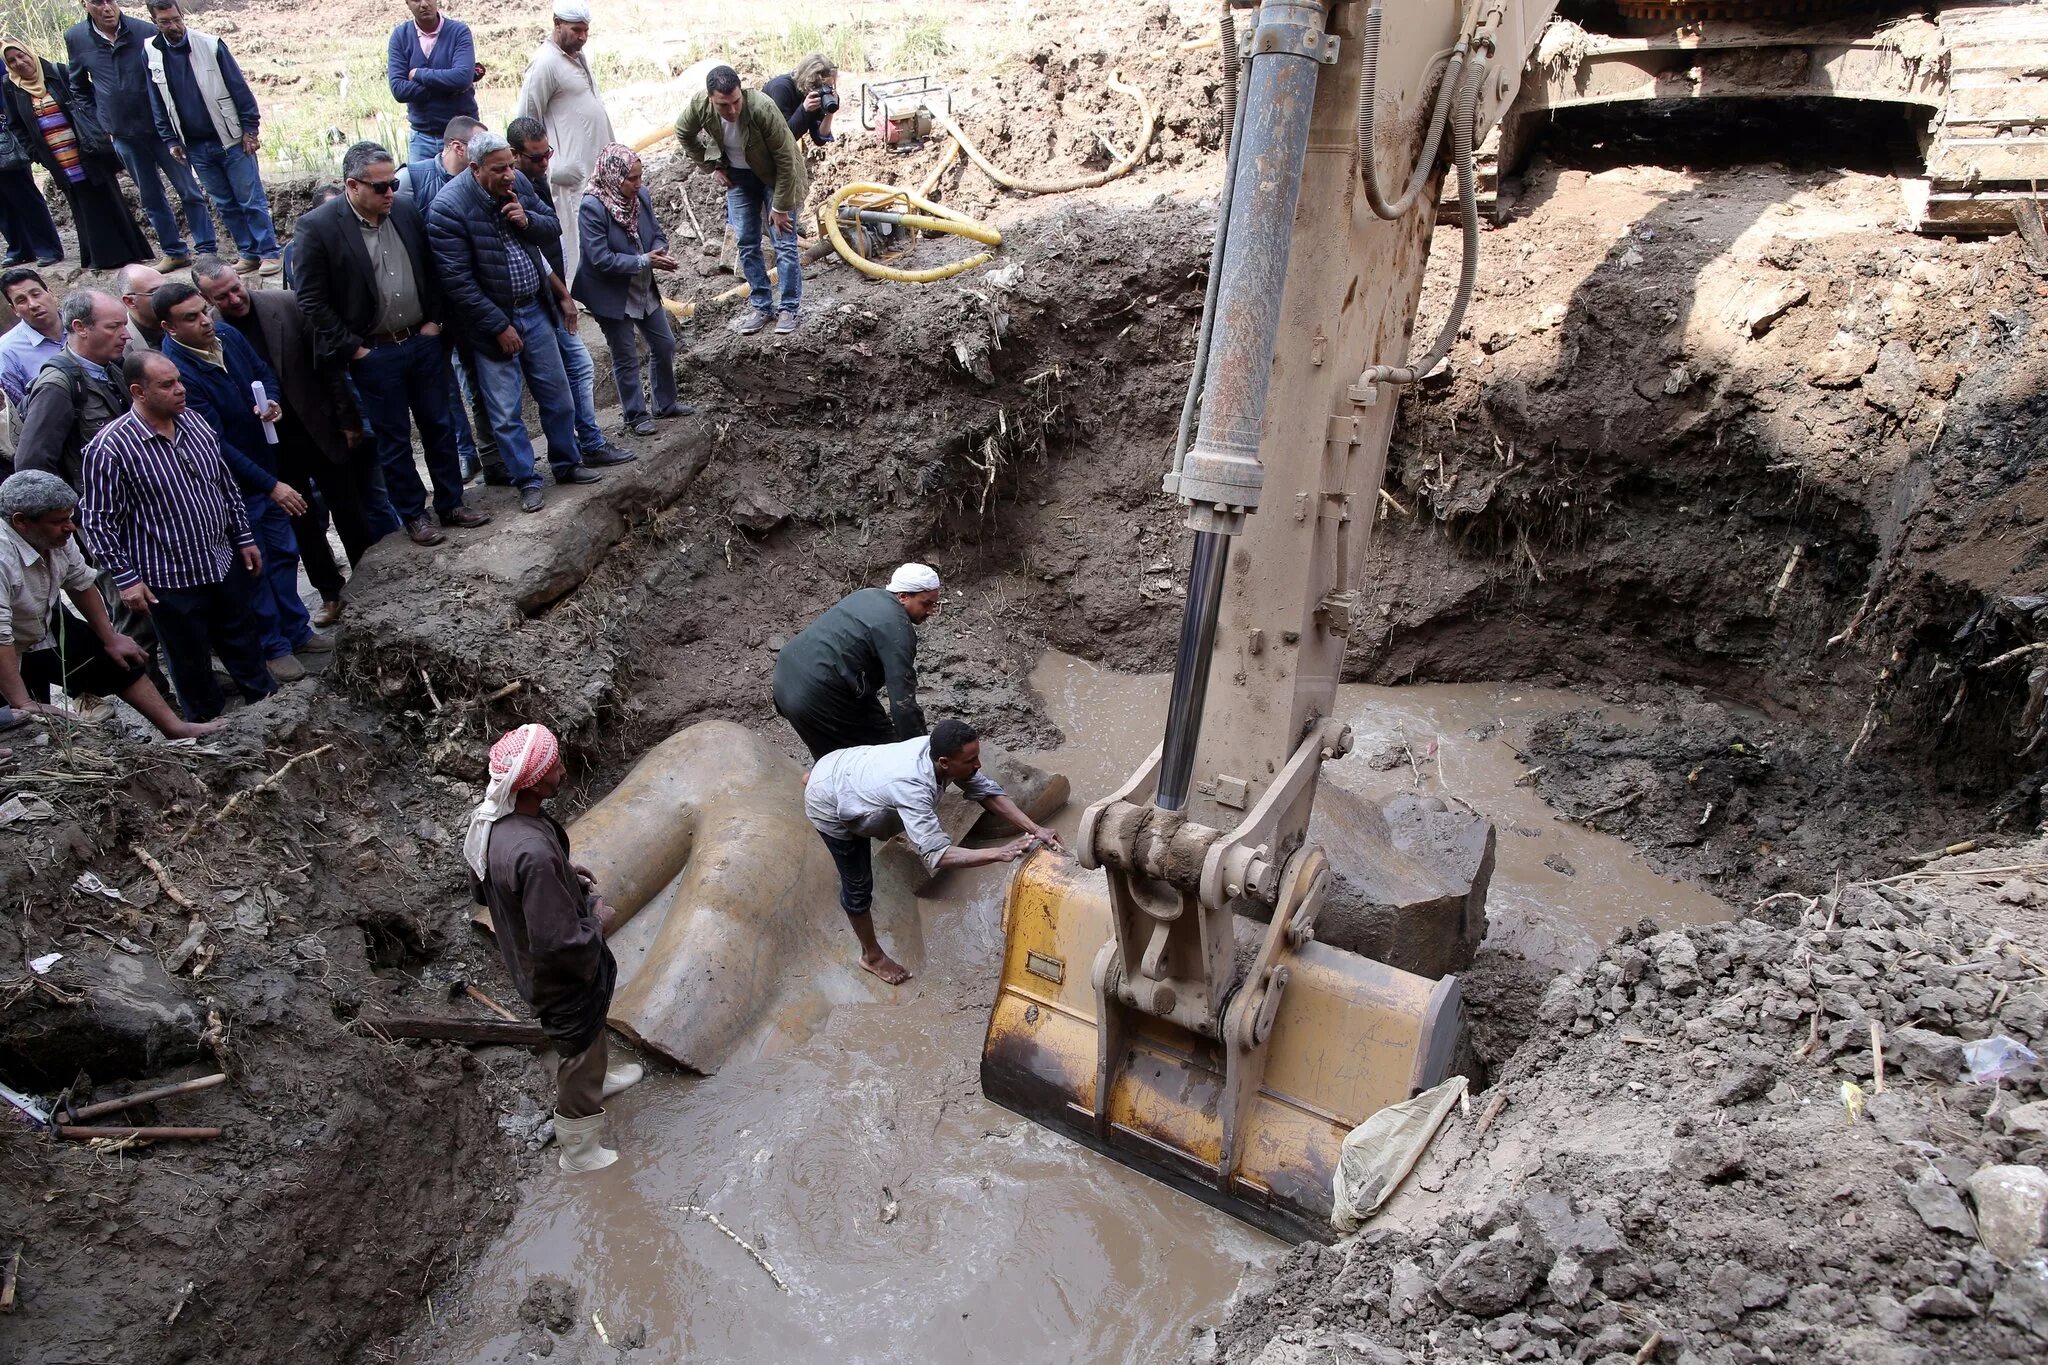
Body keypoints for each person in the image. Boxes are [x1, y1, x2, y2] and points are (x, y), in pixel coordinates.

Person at [465, 723, 642, 1173]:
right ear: (534, 781)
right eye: (555, 764)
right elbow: (559, 942)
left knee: (590, 1029)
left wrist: (563, 875)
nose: (563, 769)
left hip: (529, 954)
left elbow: (488, 890)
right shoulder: (530, 852)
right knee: (578, 1041)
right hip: (556, 975)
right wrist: (597, 922)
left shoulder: (496, 821)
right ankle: (579, 1147)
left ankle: (595, 1081)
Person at [292, 141, 489, 544]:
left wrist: (434, 321)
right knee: (395, 437)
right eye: (380, 187)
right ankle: (414, 514)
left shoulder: (403, 210)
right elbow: (311, 299)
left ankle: (451, 502)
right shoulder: (319, 228)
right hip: (375, 351)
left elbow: (431, 267)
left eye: (393, 184)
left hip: (421, 340)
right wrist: (354, 348)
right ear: (352, 185)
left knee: (440, 423)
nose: (390, 193)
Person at [192, 255, 398, 619]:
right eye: (222, 297)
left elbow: (330, 370)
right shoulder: (215, 330)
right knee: (302, 523)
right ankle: (331, 593)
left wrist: (350, 422)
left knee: (349, 508)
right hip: (271, 444)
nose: (234, 300)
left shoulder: (285, 305)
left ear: (240, 279)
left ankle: (373, 585)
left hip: (319, 428)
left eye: (235, 289)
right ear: (207, 299)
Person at [78, 349, 275, 722]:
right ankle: (208, 730)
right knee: (190, 660)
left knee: (244, 641)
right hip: (167, 577)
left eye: (179, 381)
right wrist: (126, 579)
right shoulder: (110, 448)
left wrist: (244, 537)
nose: (180, 390)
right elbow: (97, 522)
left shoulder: (195, 423)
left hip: (220, 560)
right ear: (138, 391)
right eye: (168, 385)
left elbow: (225, 485)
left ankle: (270, 710)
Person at [155, 280, 332, 682]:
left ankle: (296, 630)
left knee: (285, 553)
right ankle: (273, 646)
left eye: (204, 311)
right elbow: (213, 444)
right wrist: (270, 485)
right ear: (169, 328)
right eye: (192, 317)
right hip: (231, 487)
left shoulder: (228, 335)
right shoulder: (178, 373)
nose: (205, 321)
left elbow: (263, 372)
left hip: (266, 463)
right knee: (255, 566)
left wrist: (271, 400)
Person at [804, 718, 1063, 984]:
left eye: (978, 756)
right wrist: (998, 853)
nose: (978, 765)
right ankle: (871, 957)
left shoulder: (937, 751)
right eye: (971, 760)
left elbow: (986, 792)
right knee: (858, 885)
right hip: (828, 806)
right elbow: (937, 855)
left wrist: (1037, 829)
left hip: (839, 764)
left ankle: (816, 778)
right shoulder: (913, 787)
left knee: (881, 804)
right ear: (944, 763)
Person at [426, 129, 597, 514]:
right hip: (492, 325)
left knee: (557, 394)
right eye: (498, 169)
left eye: (510, 166)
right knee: (504, 411)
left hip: (534, 309)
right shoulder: (448, 208)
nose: (509, 175)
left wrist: (525, 219)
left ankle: (567, 465)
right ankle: (528, 480)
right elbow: (458, 283)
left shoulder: (518, 182)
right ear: (474, 168)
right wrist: (497, 326)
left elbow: (551, 226)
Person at [0, 468, 223, 738]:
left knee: (118, 659)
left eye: (70, 518)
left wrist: (109, 637)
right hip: (7, 639)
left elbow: (80, 583)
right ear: (22, 522)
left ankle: (175, 728)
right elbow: (1, 636)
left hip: (39, 620)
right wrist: (22, 702)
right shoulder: (3, 555)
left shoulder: (55, 536)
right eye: (59, 521)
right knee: (23, 720)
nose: (71, 527)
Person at [507, 117, 645, 463]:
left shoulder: (533, 183)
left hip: (551, 293)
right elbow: (536, 250)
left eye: (547, 154)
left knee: (578, 370)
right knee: (568, 375)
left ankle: (586, 445)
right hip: (537, 300)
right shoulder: (518, 188)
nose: (545, 163)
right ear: (514, 155)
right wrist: (564, 296)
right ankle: (575, 452)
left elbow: (548, 232)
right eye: (536, 157)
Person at [64, 0, 216, 271]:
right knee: (150, 196)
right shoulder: (76, 38)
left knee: (188, 190)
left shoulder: (145, 31)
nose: (107, 7)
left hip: (162, 131)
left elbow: (172, 74)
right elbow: (78, 86)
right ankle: (173, 250)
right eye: (98, 2)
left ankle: (206, 249)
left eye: (111, 0)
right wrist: (103, 123)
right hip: (123, 135)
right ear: (84, 5)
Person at [396, 114, 501, 485]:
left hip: (471, 301)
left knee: (479, 378)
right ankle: (464, 454)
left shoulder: (482, 180)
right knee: (444, 387)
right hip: (431, 308)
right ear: (457, 147)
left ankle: (493, 456)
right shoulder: (411, 180)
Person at [143, 0, 280, 278]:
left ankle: (268, 252)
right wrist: (170, 140)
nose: (174, 26)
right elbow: (157, 101)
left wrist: (250, 129)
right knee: (225, 204)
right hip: (194, 145)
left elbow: (239, 87)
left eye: (177, 19)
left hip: (230, 137)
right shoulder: (151, 53)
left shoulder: (210, 44)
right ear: (155, 22)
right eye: (165, 22)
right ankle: (248, 253)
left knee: (250, 199)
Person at [674, 65, 807, 337]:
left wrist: (780, 206)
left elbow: (786, 160)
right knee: (746, 242)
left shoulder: (762, 108)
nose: (732, 111)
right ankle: (761, 305)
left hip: (774, 175)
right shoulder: (700, 106)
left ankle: (789, 307)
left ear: (741, 92)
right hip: (738, 178)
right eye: (724, 105)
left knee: (783, 241)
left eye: (736, 102)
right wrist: (711, 167)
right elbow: (683, 133)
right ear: (711, 98)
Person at [0, 36, 150, 272]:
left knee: (106, 197)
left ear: (30, 54)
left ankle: (129, 253)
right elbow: (17, 125)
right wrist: (37, 154)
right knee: (82, 204)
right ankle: (100, 259)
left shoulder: (57, 73)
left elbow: (89, 100)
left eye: (22, 55)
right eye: (12, 60)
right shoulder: (12, 88)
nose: (19, 62)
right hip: (58, 159)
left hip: (87, 151)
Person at [772, 563, 944, 761]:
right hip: (819, 691)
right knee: (888, 756)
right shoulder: (897, 627)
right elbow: (903, 703)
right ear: (904, 596)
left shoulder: (866, 595)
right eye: (926, 604)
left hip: (786, 682)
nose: (931, 611)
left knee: (835, 761)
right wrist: (921, 751)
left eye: (934, 604)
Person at [574, 144, 687, 438]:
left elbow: (656, 233)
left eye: (640, 177)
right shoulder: (592, 207)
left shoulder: (641, 198)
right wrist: (643, 260)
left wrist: (659, 251)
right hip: (610, 293)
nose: (638, 184)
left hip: (640, 284)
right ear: (614, 177)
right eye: (632, 179)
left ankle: (665, 403)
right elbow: (599, 258)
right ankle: (634, 415)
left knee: (664, 344)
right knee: (625, 355)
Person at [514, 2, 611, 284]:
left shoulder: (576, 56)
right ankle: (581, 291)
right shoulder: (544, 63)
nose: (582, 36)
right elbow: (526, 120)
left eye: (586, 31)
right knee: (575, 230)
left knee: (597, 225)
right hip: (569, 167)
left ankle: (601, 283)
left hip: (594, 163)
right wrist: (545, 164)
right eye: (576, 30)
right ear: (557, 24)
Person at [14, 289, 130, 488]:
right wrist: (72, 513)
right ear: (80, 327)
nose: (126, 335)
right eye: (113, 327)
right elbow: (31, 466)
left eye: (124, 326)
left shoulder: (115, 367)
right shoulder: (56, 386)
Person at [387, 0, 479, 167]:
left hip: (463, 137)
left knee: (469, 190)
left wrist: (418, 73)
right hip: (423, 138)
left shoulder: (459, 32)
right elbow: (399, 90)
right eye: (416, 0)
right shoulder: (400, 36)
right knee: (423, 191)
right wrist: (447, 85)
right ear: (407, 3)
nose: (424, 4)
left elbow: (462, 78)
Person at [0, 115, 63, 267]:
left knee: (25, 197)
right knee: (2, 204)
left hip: (5, 142)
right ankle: (20, 250)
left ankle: (49, 249)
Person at [0, 268, 64, 415]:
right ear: (14, 309)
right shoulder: (6, 353)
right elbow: (17, 414)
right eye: (21, 300)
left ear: (51, 293)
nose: (33, 304)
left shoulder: (81, 325)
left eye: (36, 294)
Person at [279, 181, 344, 290]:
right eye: (331, 212)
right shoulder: (298, 247)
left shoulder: (352, 239)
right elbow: (303, 288)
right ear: (317, 214)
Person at [764, 53, 838, 147]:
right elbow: (784, 138)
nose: (823, 90)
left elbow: (819, 139)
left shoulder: (815, 94)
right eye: (819, 87)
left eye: (829, 86)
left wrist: (830, 112)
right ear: (808, 83)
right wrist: (804, 109)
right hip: (763, 143)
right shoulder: (781, 89)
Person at [116, 263, 165, 351]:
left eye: (166, 288)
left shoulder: (182, 324)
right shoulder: (120, 346)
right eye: (156, 292)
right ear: (130, 301)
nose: (166, 296)